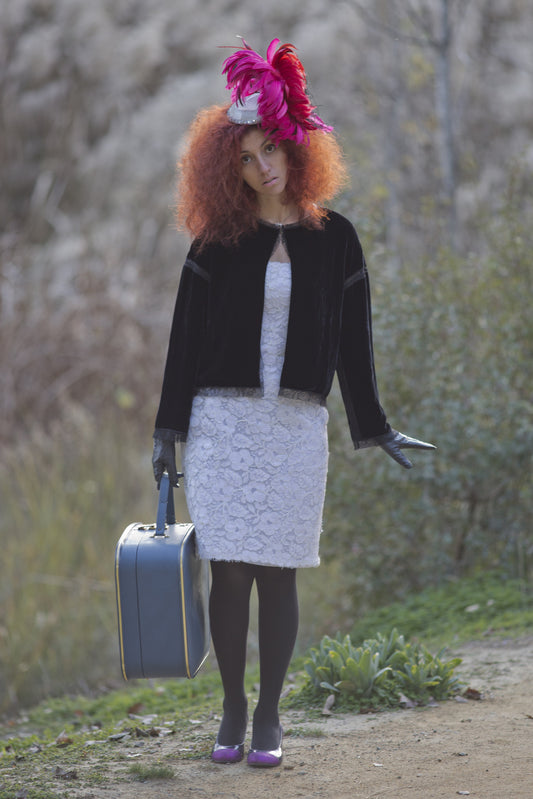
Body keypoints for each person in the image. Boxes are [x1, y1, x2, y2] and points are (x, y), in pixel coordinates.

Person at [152, 38, 435, 768]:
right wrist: (167, 430)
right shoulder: (215, 240)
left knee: (278, 570)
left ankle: (270, 714)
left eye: (271, 148)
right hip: (222, 424)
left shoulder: (336, 239)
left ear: (295, 144)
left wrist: (374, 426)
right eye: (246, 158)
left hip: (295, 426)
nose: (263, 167)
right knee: (228, 568)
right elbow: (183, 342)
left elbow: (354, 345)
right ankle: (231, 706)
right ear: (228, 167)